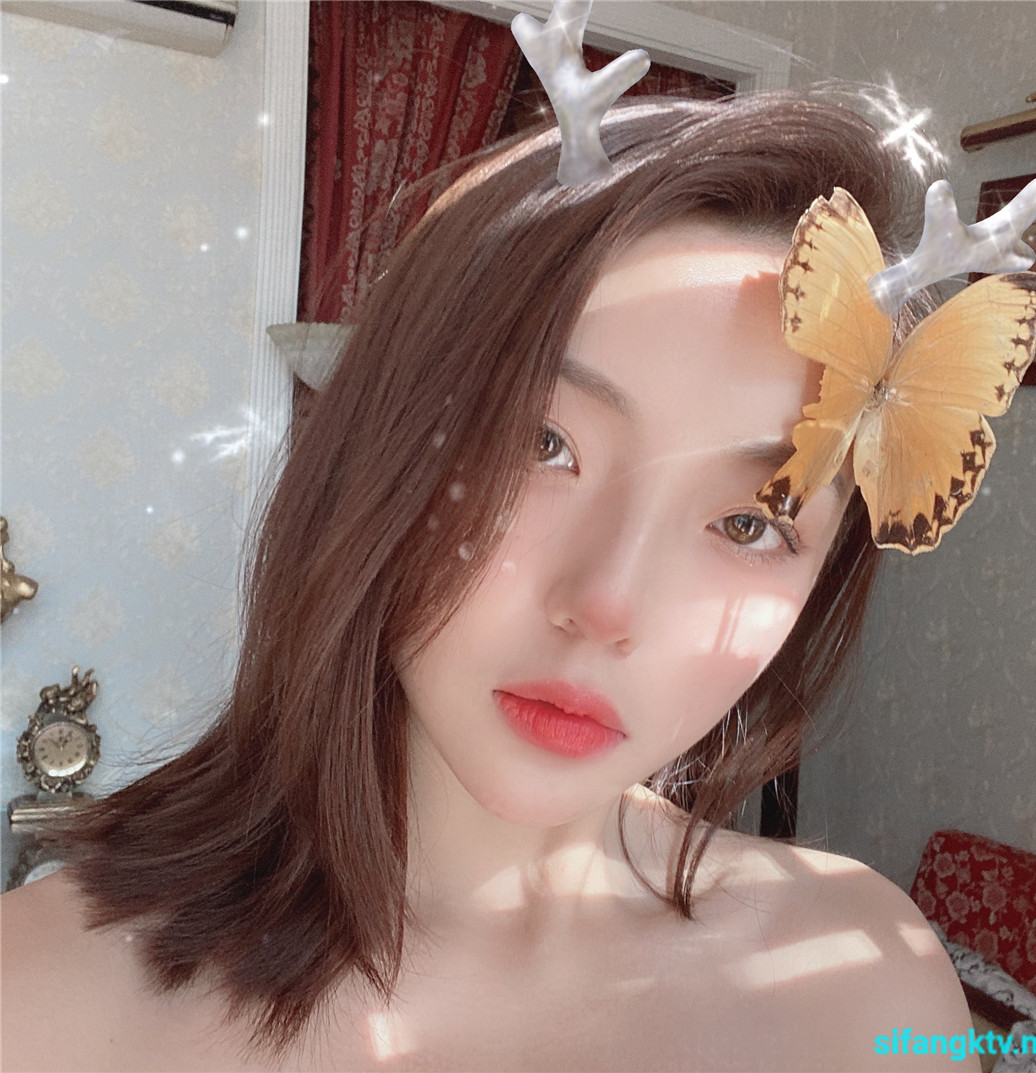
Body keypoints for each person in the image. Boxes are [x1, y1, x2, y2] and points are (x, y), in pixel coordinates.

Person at [1, 90, 973, 1072]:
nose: (606, 605)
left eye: (748, 522)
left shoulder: (869, 987)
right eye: (538, 443)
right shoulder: (37, 998)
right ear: (380, 439)